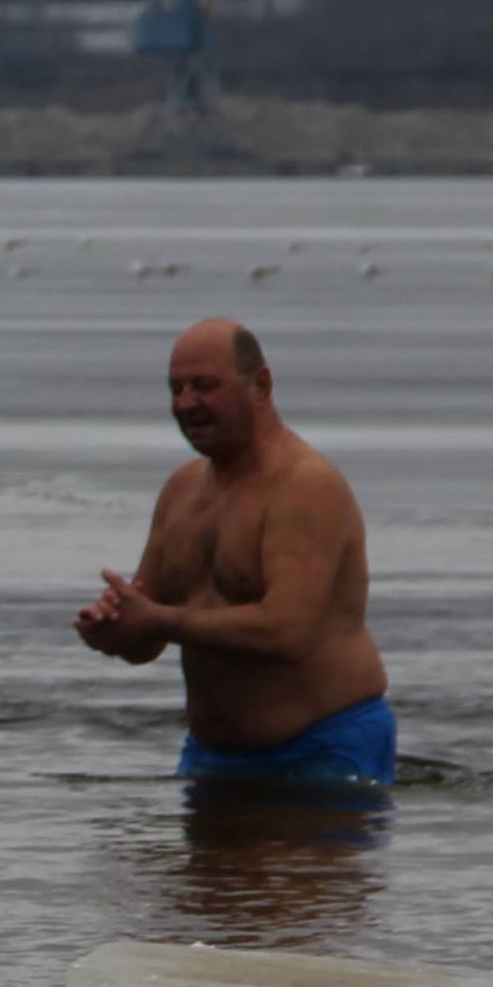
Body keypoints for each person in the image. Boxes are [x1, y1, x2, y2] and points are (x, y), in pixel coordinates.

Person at [75, 318, 391, 786]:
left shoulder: (305, 486)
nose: (185, 404)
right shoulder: (182, 489)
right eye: (175, 389)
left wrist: (157, 619)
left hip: (323, 750)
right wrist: (116, 629)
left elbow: (288, 632)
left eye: (204, 386)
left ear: (259, 385)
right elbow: (147, 634)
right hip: (211, 755)